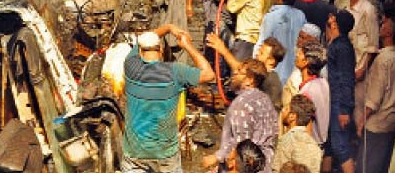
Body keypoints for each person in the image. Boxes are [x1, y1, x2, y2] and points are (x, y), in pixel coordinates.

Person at [122, 24, 214, 173]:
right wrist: (187, 45)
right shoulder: (175, 72)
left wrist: (167, 28)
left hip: (134, 151)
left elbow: (146, 37)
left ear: (139, 51)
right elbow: (209, 74)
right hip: (165, 153)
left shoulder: (130, 65)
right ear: (162, 50)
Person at [202, 59, 279, 172]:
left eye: (239, 71)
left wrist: (217, 157)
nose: (234, 73)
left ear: (250, 80)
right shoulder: (265, 99)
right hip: (265, 164)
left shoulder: (242, 104)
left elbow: (241, 143)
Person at [356, 15, 395, 173]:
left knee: (367, 167)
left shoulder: (383, 59)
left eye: (383, 23)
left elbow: (374, 97)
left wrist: (362, 121)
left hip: (377, 123)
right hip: (392, 119)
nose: (379, 26)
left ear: (389, 33)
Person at [207, 33, 285, 112]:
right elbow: (240, 68)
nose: (257, 54)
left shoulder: (270, 80)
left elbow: (273, 110)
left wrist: (223, 50)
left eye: (261, 53)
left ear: (271, 61)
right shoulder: (260, 74)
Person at [343, 0, 379, 129]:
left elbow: (373, 44)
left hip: (360, 70)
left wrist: (363, 68)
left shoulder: (368, 10)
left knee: (358, 110)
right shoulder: (345, 7)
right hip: (346, 67)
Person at [254, 0, 306, 84]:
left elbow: (263, 43)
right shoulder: (301, 15)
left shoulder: (271, 17)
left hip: (275, 73)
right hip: (295, 74)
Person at [326, 10, 357, 173]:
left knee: (340, 146)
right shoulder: (337, 43)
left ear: (336, 24)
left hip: (339, 103)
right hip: (333, 101)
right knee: (331, 144)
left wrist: (344, 109)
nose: (330, 19)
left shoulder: (342, 48)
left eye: (333, 18)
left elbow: (347, 79)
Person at [273, 94, 324, 173]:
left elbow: (277, 169)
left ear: (292, 116)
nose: (282, 111)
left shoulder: (287, 140)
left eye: (286, 109)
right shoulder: (314, 144)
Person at [294, 40, 330, 150]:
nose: (296, 55)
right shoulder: (323, 83)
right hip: (320, 144)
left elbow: (306, 126)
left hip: (309, 146)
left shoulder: (307, 91)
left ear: (306, 61)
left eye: (300, 53)